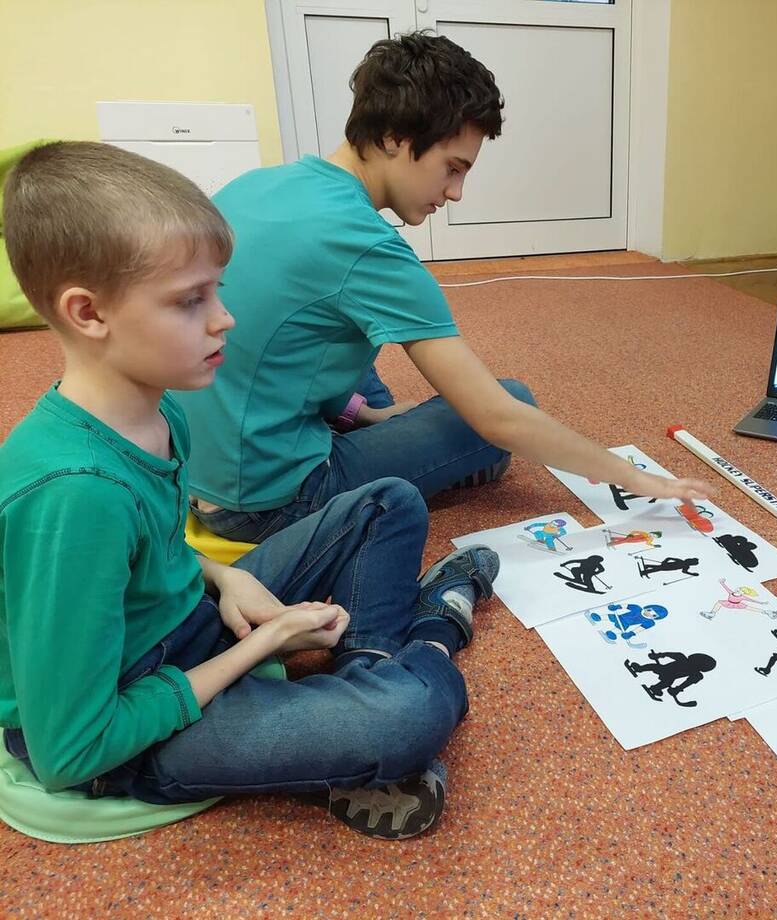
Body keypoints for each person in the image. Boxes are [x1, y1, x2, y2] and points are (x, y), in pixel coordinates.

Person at [0, 141, 500, 840]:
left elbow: (149, 556)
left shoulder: (159, 409)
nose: (223, 318)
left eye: (218, 290)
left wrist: (225, 580)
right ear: (88, 313)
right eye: (190, 301)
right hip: (128, 729)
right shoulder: (76, 494)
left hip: (183, 629)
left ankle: (369, 670)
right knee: (405, 716)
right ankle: (431, 631)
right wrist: (263, 642)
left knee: (388, 502)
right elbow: (71, 752)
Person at [178, 32, 708, 544]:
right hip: (268, 504)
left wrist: (367, 415)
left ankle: (361, 419)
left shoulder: (256, 184)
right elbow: (496, 416)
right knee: (509, 402)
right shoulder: (366, 244)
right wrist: (635, 477)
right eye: (451, 168)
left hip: (192, 467)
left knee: (339, 327)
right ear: (392, 137)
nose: (455, 192)